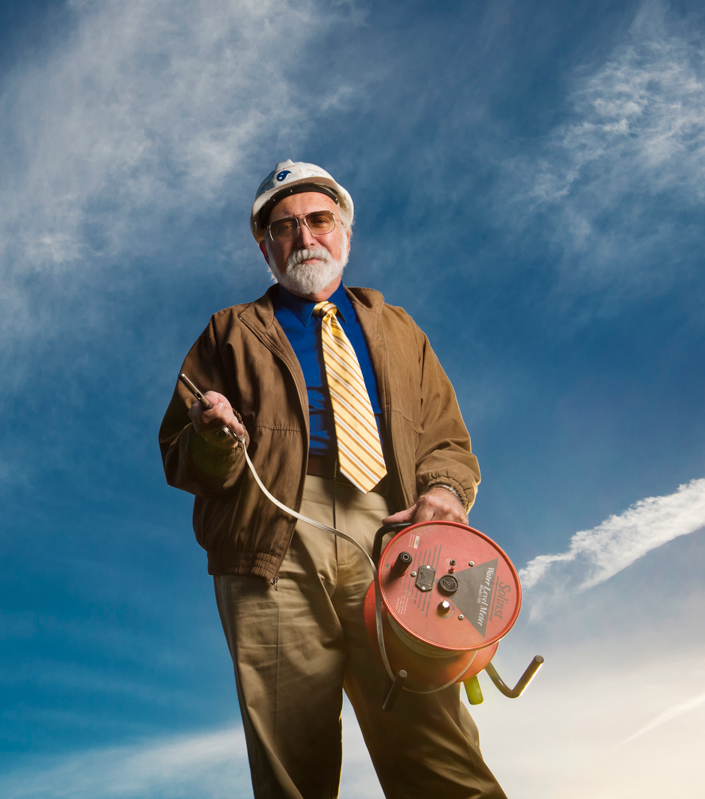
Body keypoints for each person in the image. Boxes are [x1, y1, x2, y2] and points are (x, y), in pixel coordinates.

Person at [158, 161, 506, 799]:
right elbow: (183, 461)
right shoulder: (228, 333)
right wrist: (211, 436)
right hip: (271, 543)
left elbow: (448, 441)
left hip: (395, 537)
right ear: (265, 247)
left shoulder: (400, 330)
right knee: (292, 762)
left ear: (345, 232)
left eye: (319, 220)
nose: (303, 236)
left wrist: (442, 495)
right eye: (284, 227)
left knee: (438, 744)